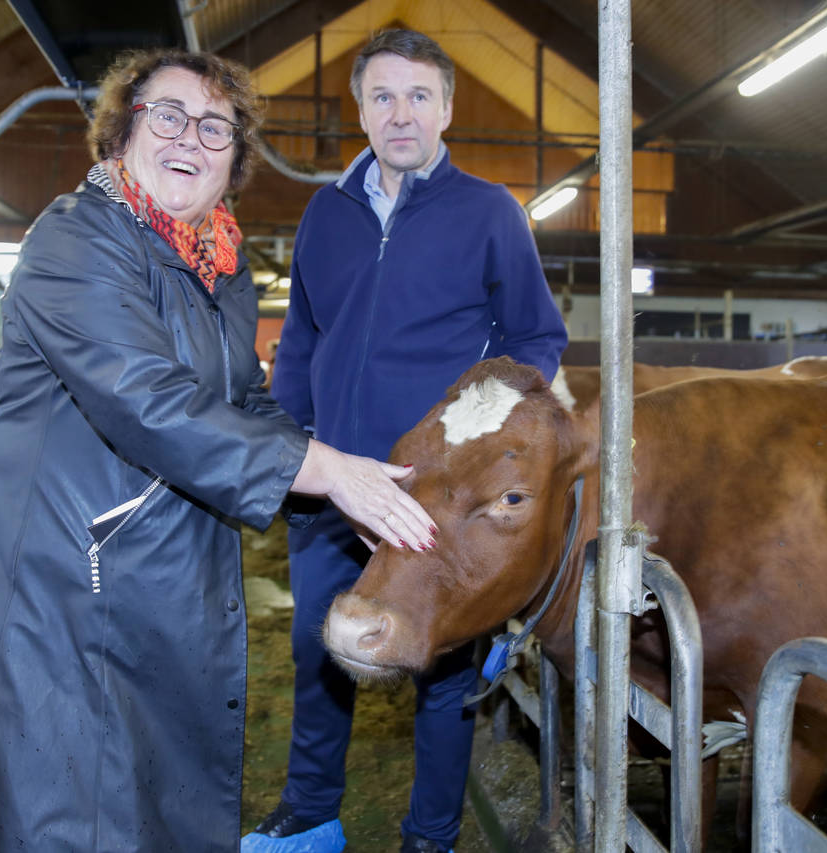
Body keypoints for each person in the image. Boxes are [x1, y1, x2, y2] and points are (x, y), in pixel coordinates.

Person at [0, 47, 436, 853]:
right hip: (70, 592)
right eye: (168, 116)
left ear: (233, 162)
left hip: (163, 581)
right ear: (121, 131)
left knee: (154, 811)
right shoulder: (76, 240)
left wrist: (342, 481)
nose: (190, 140)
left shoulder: (220, 265)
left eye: (216, 129)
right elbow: (150, 402)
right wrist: (328, 473)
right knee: (80, 816)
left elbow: (243, 400)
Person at [247, 29, 568, 853]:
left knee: (440, 664)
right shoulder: (328, 211)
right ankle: (312, 809)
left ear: (448, 109)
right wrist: (295, 456)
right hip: (333, 478)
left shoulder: (491, 211)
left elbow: (534, 339)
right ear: (360, 109)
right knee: (320, 641)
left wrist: (477, 449)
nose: (402, 113)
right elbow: (305, 341)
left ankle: (429, 833)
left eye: (419, 96)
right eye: (383, 96)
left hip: (435, 493)